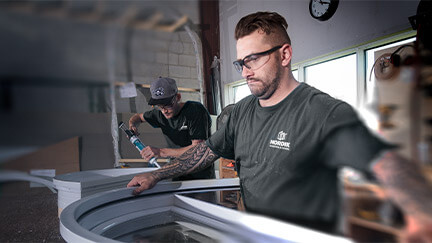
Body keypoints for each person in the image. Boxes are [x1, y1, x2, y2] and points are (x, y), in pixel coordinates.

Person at [127, 12, 432, 239]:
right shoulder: (241, 112)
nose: (246, 72)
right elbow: (204, 153)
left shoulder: (324, 112)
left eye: (254, 59)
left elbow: (386, 164)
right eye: (241, 63)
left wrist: (420, 212)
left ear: (285, 54)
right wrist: (155, 175)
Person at [128, 77, 215, 181]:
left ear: (178, 97)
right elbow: (138, 117)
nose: (164, 111)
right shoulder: (159, 114)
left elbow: (197, 149)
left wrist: (160, 152)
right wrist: (132, 124)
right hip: (177, 173)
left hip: (200, 176)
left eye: (168, 105)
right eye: (160, 106)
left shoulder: (195, 111)